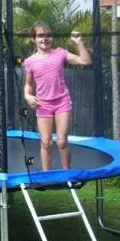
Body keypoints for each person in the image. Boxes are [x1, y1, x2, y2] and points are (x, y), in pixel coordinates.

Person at [23, 21, 92, 171]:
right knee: (46, 142)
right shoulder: (30, 61)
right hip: (43, 104)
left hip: (62, 102)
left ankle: (66, 173)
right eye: (40, 35)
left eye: (48, 35)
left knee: (61, 142)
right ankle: (46, 175)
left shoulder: (60, 53)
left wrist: (79, 43)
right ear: (33, 38)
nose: (44, 39)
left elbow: (85, 61)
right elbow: (28, 84)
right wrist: (27, 96)